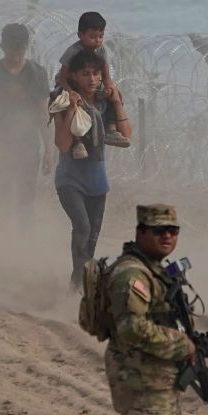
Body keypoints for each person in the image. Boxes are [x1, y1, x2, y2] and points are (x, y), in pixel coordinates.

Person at [102, 204, 196, 415]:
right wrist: (182, 344)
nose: (167, 236)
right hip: (142, 381)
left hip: (155, 380)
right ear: (140, 232)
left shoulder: (154, 270)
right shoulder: (132, 274)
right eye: (159, 230)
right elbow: (131, 328)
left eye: (173, 231)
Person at [52, 50, 131, 288]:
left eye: (96, 73)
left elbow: (127, 137)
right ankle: (78, 282)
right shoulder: (61, 101)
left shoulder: (106, 103)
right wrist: (73, 111)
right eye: (85, 74)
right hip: (70, 180)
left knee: (92, 241)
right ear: (74, 76)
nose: (92, 79)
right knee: (82, 228)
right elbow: (63, 144)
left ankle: (81, 284)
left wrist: (117, 100)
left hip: (97, 183)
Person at [0, 23, 53, 231]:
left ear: (26, 46)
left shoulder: (37, 73)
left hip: (28, 146)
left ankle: (24, 246)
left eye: (20, 50)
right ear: (2, 47)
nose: (16, 55)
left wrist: (49, 150)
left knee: (26, 201)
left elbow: (42, 113)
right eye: (11, 50)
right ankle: (1, 244)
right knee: (1, 199)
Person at [56, 12, 115, 96]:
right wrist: (71, 92)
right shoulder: (73, 51)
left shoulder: (102, 50)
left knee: (115, 93)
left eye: (101, 36)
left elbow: (106, 77)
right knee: (63, 100)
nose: (98, 40)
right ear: (80, 35)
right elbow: (63, 79)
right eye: (92, 37)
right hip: (68, 84)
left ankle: (118, 107)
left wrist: (109, 89)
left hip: (90, 83)